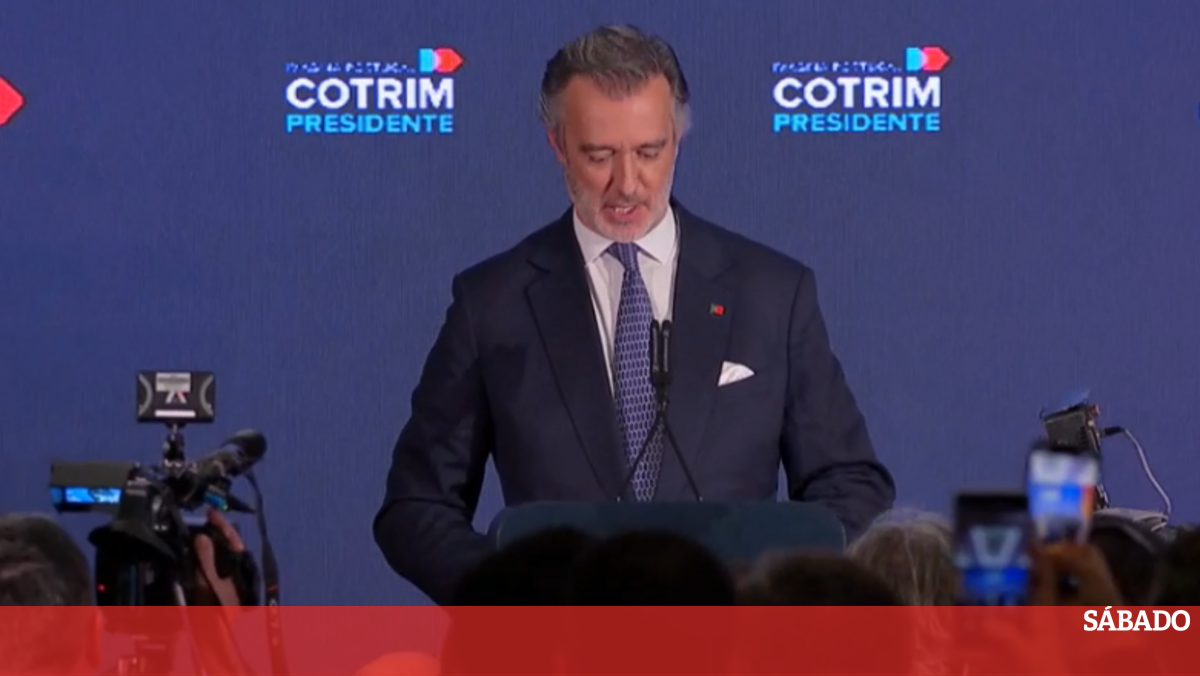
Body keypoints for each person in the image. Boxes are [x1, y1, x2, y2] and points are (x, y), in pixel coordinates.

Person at [373, 24, 895, 605]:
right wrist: (513, 597)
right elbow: (416, 507)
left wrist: (778, 593)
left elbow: (851, 483)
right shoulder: (493, 303)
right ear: (557, 145)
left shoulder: (772, 292)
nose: (627, 184)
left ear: (678, 139)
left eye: (649, 152)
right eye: (599, 155)